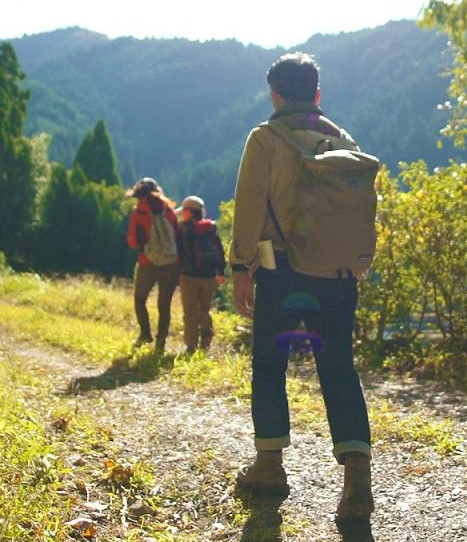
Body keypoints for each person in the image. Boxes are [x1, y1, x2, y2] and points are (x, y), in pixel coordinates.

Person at [228, 53, 374, 517]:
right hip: (337, 273)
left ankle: (269, 467)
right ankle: (356, 480)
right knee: (339, 370)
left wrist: (239, 267)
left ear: (274, 93)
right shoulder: (342, 139)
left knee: (270, 366)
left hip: (282, 271)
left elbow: (249, 206)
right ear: (316, 94)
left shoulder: (265, 139)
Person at [125, 176, 181, 353]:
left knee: (140, 299)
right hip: (171, 264)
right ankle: (161, 341)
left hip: (147, 263)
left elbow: (132, 241)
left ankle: (145, 334)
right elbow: (177, 236)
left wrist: (143, 245)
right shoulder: (169, 211)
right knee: (164, 306)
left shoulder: (138, 212)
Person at [175, 195, 225, 355]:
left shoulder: (182, 228)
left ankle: (191, 346)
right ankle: (206, 341)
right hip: (209, 276)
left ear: (189, 212)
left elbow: (177, 251)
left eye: (184, 211)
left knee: (190, 311)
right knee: (204, 309)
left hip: (188, 276)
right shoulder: (210, 228)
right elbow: (219, 250)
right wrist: (221, 272)